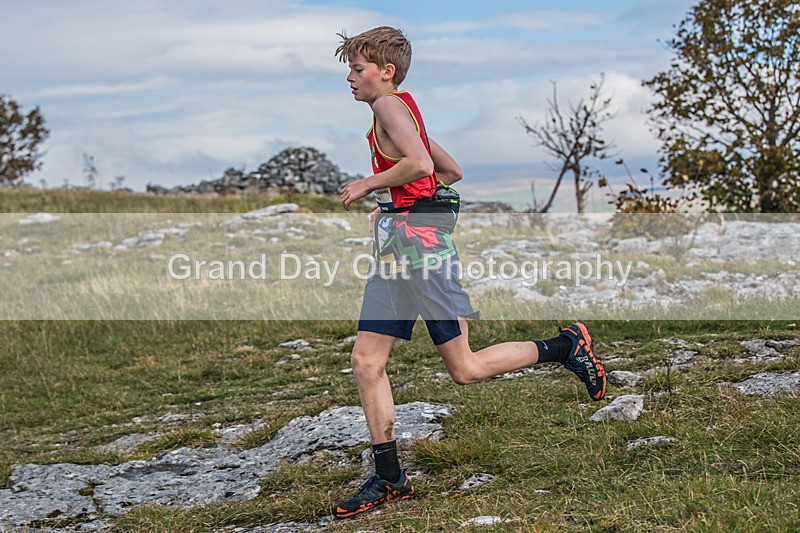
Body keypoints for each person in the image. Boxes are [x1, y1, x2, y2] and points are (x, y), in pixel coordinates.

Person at [333, 26, 606, 519]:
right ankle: (390, 476)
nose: (350, 79)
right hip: (398, 253)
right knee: (366, 360)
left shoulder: (389, 106)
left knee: (466, 369)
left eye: (357, 69)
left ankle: (565, 346)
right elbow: (450, 171)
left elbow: (421, 164)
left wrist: (369, 185)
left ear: (386, 71)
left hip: (424, 257)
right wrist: (394, 205)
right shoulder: (401, 112)